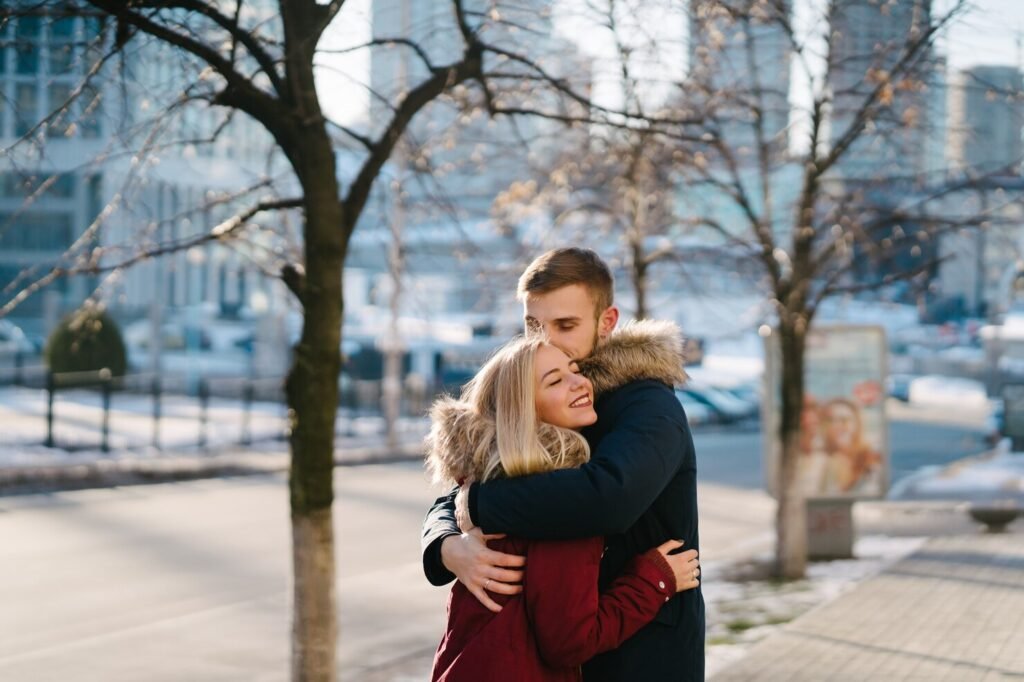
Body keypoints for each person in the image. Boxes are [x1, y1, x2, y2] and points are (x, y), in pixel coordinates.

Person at [421, 248, 705, 681]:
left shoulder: (648, 406)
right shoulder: (539, 398)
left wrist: (478, 505)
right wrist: (446, 545)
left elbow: (607, 497)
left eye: (565, 325)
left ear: (606, 323)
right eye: (534, 325)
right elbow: (468, 480)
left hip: (640, 658)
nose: (547, 338)